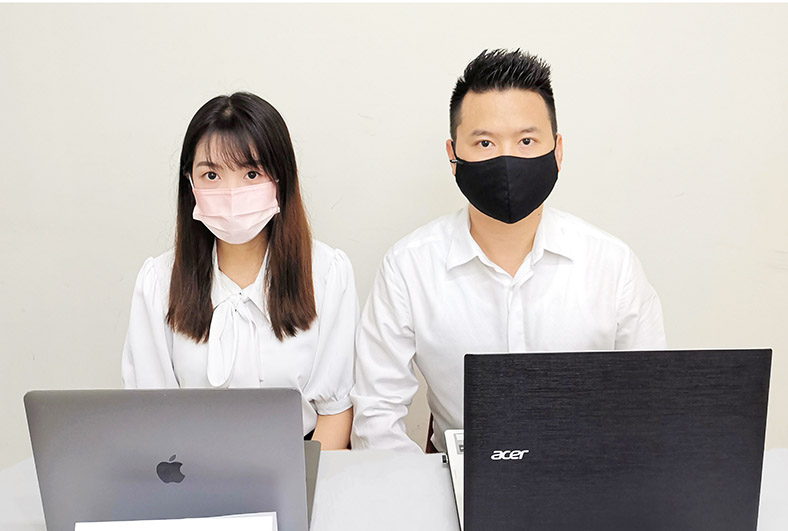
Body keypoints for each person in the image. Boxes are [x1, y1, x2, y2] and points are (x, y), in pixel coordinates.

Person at [351, 49, 666, 453]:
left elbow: (651, 402)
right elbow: (376, 418)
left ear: (558, 151)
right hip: (458, 476)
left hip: (587, 471)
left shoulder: (612, 265)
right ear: (453, 156)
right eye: (484, 142)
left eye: (526, 141)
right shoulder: (408, 267)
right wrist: (423, 487)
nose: (506, 159)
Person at [122, 92, 357, 450]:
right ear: (190, 183)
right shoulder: (158, 281)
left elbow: (335, 410)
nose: (231, 192)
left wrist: (302, 480)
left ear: (280, 178)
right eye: (211, 174)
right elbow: (149, 415)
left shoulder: (327, 273)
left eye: (251, 173)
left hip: (300, 462)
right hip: (189, 467)